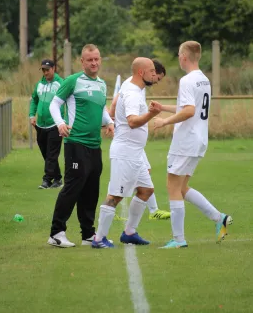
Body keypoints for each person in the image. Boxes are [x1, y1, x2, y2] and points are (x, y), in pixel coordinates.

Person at [152, 41, 233, 249]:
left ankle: (178, 240)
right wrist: (163, 108)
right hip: (199, 140)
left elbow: (188, 111)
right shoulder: (204, 80)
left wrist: (163, 121)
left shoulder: (187, 81)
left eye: (179, 54)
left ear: (184, 57)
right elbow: (190, 108)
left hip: (186, 141)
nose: (179, 58)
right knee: (182, 188)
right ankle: (219, 218)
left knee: (172, 187)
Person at [47, 44, 114, 248]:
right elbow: (54, 104)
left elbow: (101, 110)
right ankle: (56, 233)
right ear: (82, 62)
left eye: (96, 59)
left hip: (95, 145)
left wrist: (109, 122)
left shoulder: (102, 84)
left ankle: (88, 234)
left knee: (91, 190)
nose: (94, 63)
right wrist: (60, 123)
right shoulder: (73, 81)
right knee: (73, 187)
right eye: (89, 60)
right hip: (76, 143)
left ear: (100, 59)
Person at [92, 57, 161, 248]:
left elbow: (115, 103)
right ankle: (99, 239)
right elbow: (132, 121)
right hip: (125, 152)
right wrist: (151, 114)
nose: (154, 75)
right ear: (141, 72)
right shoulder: (132, 92)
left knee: (146, 190)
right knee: (115, 196)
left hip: (135, 152)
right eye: (152, 71)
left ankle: (129, 232)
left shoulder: (133, 85)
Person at [109, 59, 170, 221]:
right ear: (149, 72)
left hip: (134, 144)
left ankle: (151, 212)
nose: (157, 81)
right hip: (127, 144)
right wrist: (112, 119)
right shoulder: (133, 88)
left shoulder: (139, 86)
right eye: (158, 77)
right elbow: (121, 108)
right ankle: (107, 216)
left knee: (145, 179)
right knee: (118, 190)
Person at [29, 59, 64, 189]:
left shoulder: (61, 84)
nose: (45, 72)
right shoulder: (39, 84)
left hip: (55, 125)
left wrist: (63, 121)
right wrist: (32, 115)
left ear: (53, 69)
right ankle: (58, 179)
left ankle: (47, 180)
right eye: (43, 70)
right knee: (46, 154)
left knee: (51, 154)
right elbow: (34, 100)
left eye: (47, 70)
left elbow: (68, 102)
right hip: (40, 125)